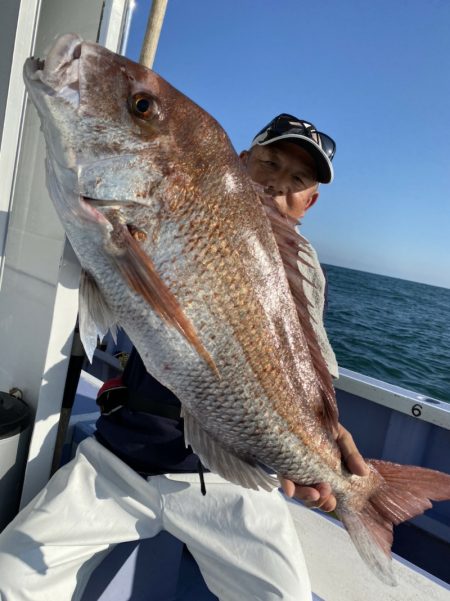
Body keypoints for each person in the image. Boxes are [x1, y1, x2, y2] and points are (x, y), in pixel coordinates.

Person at [0, 114, 368, 601]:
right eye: (269, 163)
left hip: (227, 478)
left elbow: (306, 369)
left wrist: (326, 437)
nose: (278, 184)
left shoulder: (301, 268)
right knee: (11, 574)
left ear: (310, 200)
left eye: (298, 179)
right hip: (122, 458)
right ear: (239, 163)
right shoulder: (178, 214)